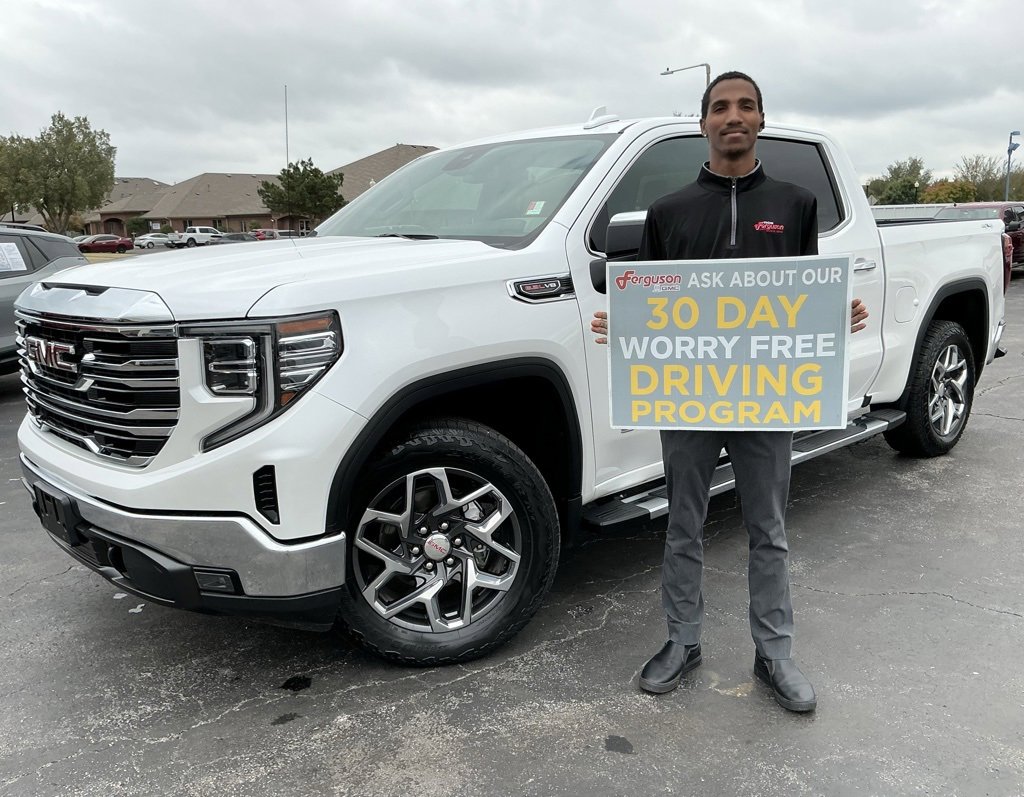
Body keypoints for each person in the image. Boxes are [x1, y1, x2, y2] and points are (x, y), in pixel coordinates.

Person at [592, 71, 868, 713]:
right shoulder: (668, 212)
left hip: (767, 396)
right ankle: (681, 641)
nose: (733, 116)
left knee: (768, 527)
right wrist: (627, 322)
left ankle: (774, 653)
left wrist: (834, 316)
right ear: (703, 124)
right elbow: (656, 301)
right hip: (689, 396)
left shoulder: (796, 205)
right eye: (720, 107)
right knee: (682, 524)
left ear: (761, 119)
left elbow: (799, 297)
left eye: (746, 106)